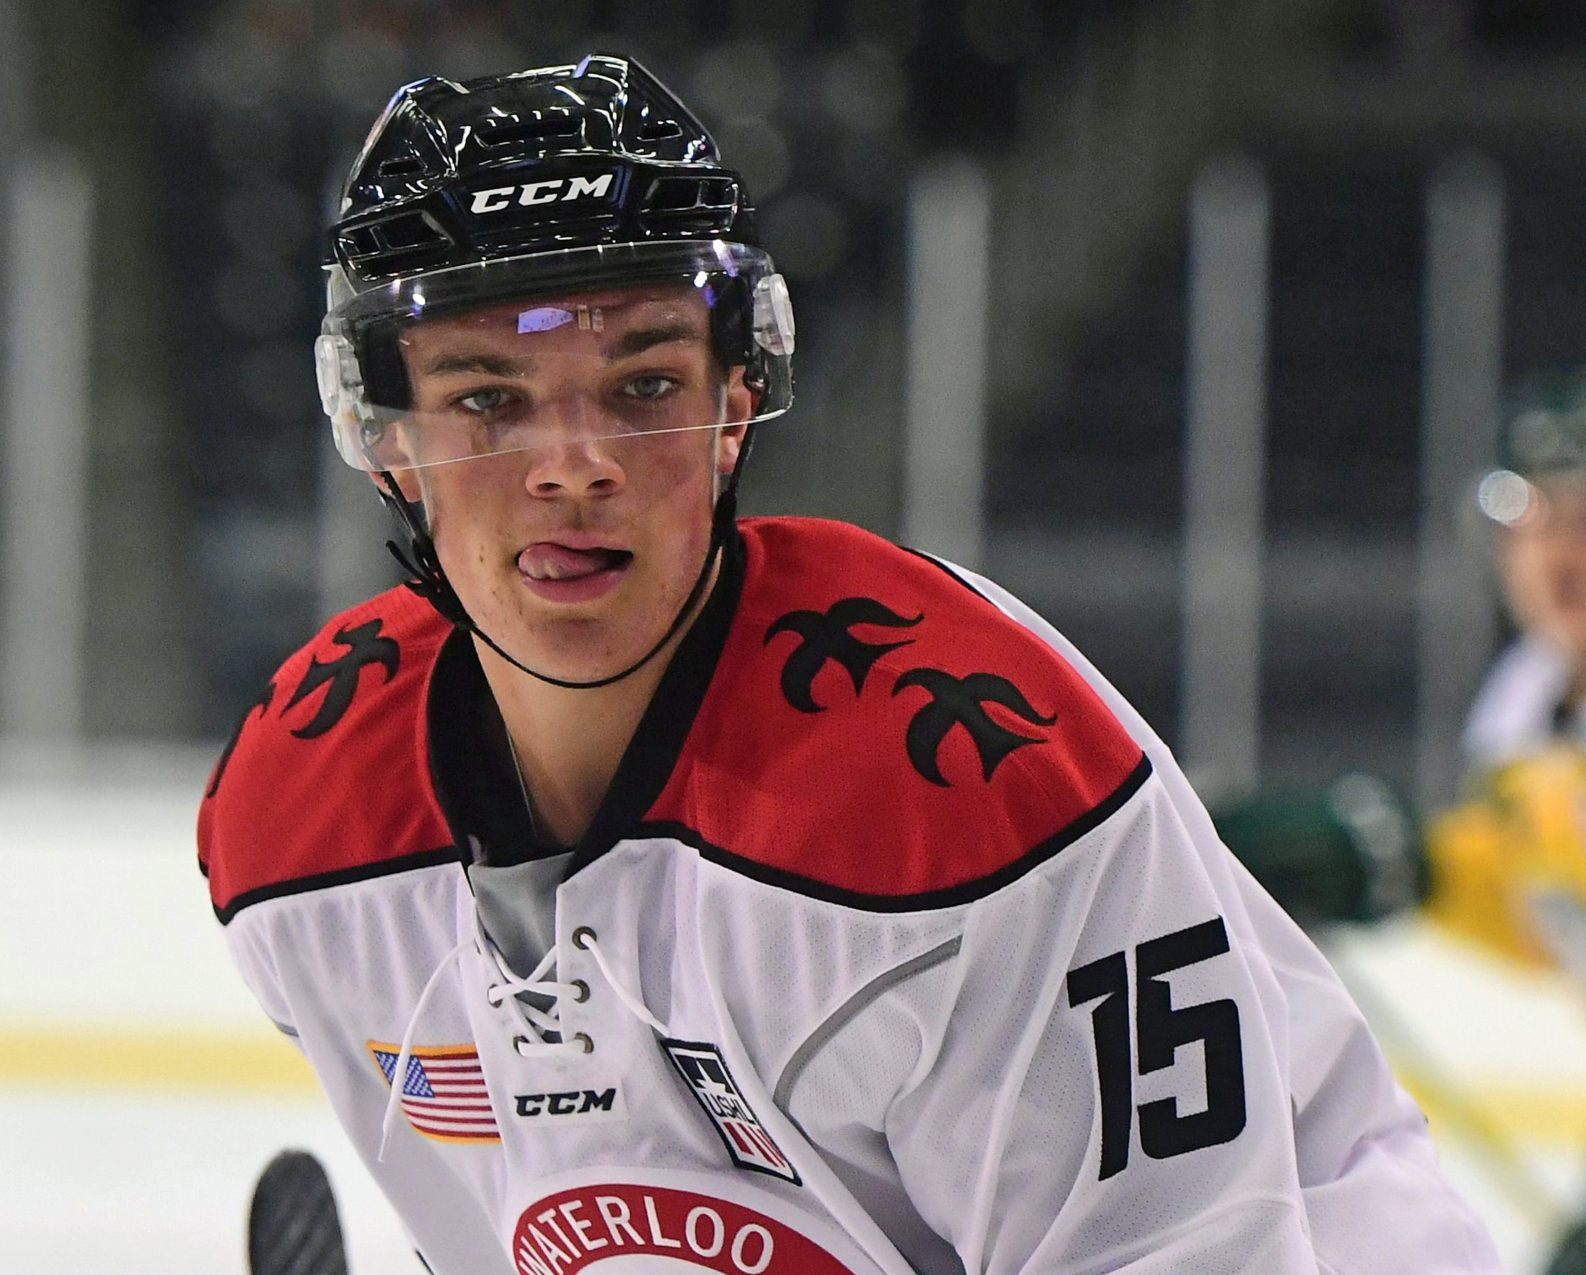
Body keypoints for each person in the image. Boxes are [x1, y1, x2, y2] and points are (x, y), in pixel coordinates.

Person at [199, 56, 1502, 1274]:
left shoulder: (960, 779)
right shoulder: (305, 837)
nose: (572, 462)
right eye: (488, 397)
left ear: (734, 401)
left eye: (644, 384)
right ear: (383, 437)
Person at [1216, 366, 1586, 1275]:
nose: (1557, 553)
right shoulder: (1540, 711)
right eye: (1530, 519)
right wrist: (1390, 861)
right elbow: (1555, 907)